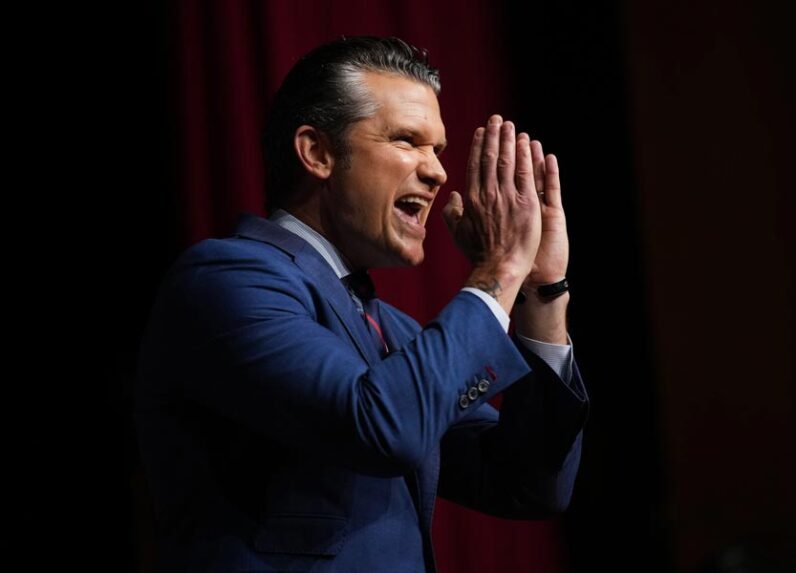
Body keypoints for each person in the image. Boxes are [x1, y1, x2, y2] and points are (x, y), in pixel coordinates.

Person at [135, 36, 589, 573]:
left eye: (437, 150)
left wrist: (539, 290)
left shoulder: (391, 330)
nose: (438, 172)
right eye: (407, 141)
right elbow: (381, 427)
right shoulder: (226, 281)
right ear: (318, 153)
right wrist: (498, 273)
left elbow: (527, 484)